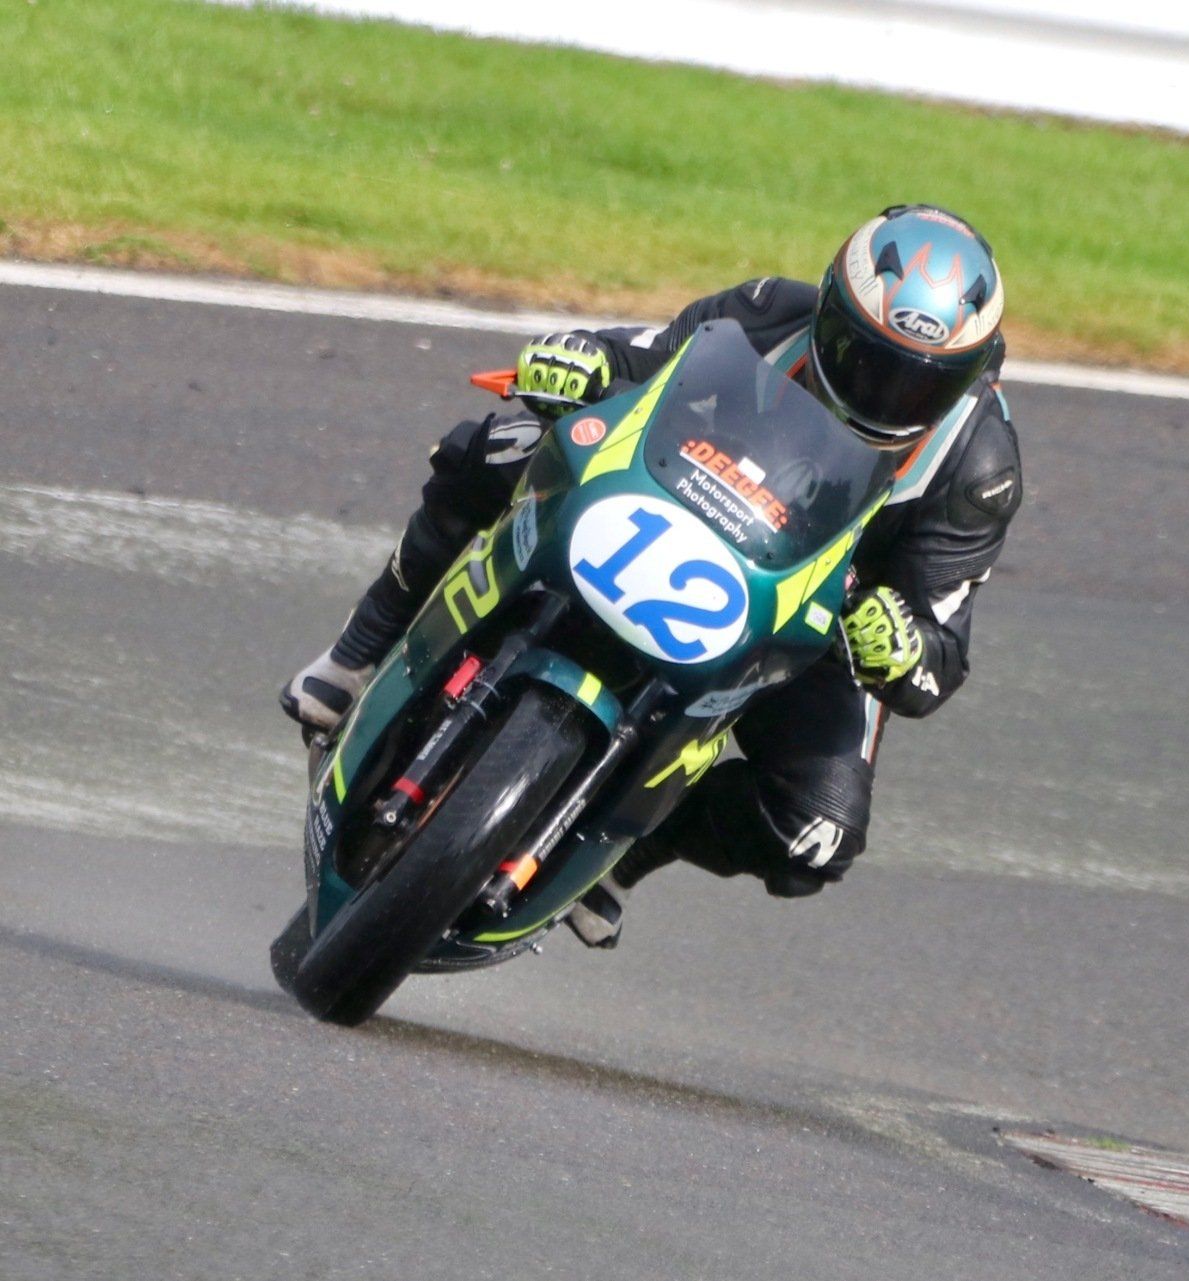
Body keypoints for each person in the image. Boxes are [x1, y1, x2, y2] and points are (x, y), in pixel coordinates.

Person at [281, 204, 1022, 945]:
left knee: (816, 833)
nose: (880, 393)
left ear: (968, 378)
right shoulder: (765, 313)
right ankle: (356, 653)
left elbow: (939, 652)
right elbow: (632, 359)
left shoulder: (977, 470)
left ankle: (627, 853)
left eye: (917, 383)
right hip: (661, 504)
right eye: (864, 357)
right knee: (503, 442)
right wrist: (580, 360)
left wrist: (896, 642)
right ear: (829, 310)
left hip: (807, 614)